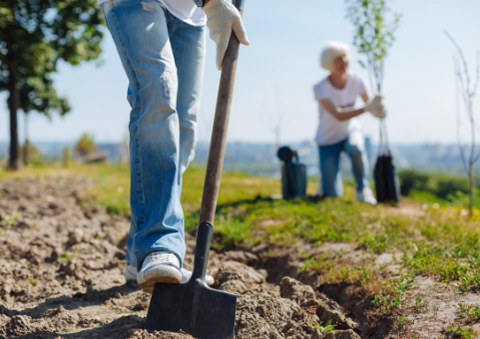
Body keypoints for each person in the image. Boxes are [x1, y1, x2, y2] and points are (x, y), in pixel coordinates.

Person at [98, 0, 249, 292]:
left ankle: (138, 254)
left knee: (183, 129)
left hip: (190, 14)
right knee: (158, 93)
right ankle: (159, 243)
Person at [313, 41, 385, 204]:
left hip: (349, 131)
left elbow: (371, 106)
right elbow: (338, 115)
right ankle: (327, 183)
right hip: (327, 138)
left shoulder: (357, 80)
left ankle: (362, 190)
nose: (343, 61)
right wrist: (368, 108)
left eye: (344, 57)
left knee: (357, 149)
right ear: (329, 62)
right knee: (332, 195)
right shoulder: (320, 88)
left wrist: (380, 110)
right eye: (338, 58)